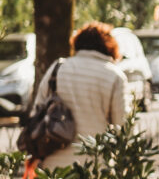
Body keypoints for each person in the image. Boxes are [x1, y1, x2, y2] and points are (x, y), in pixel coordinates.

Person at [33, 22, 130, 165]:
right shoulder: (115, 76)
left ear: (77, 44)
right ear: (110, 47)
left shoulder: (58, 68)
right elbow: (122, 126)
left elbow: (37, 111)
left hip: (53, 165)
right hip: (94, 165)